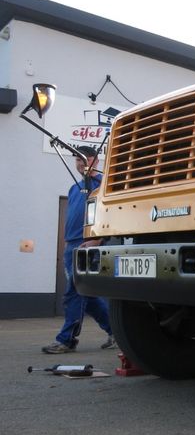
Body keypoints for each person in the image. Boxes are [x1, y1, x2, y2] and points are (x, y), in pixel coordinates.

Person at [42, 146, 116, 353]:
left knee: (73, 293)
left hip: (88, 244)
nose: (81, 164)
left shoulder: (104, 186)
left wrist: (98, 238)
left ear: (96, 162)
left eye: (85, 159)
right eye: (77, 160)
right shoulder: (74, 189)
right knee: (88, 296)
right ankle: (116, 332)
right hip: (71, 246)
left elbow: (109, 213)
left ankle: (66, 340)